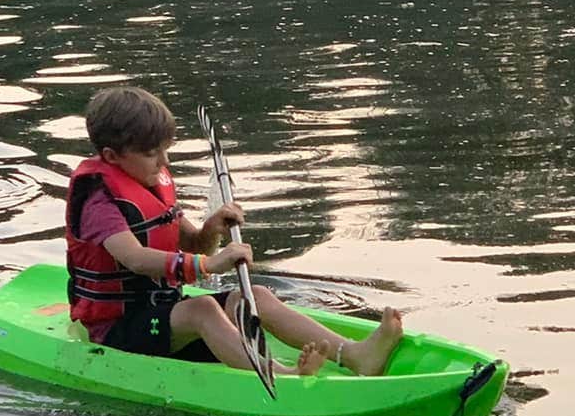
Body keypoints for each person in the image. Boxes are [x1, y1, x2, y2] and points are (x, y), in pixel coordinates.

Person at [66, 85, 403, 376]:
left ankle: (355, 355)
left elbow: (197, 246)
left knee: (255, 296)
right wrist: (210, 266)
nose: (164, 161)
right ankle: (282, 376)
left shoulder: (149, 183)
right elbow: (136, 259)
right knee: (203, 309)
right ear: (111, 156)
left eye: (166, 149)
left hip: (163, 316)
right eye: (152, 153)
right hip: (119, 332)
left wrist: (213, 228)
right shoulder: (100, 204)